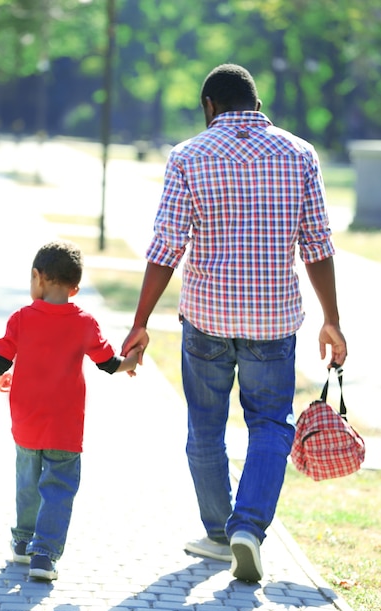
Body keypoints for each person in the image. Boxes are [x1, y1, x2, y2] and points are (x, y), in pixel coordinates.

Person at [121, 63, 347, 582]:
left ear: (209, 106)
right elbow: (318, 245)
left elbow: (165, 247)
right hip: (273, 322)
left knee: (205, 426)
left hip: (206, 319)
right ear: (257, 104)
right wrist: (331, 320)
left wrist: (139, 321)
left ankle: (220, 536)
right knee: (270, 424)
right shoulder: (299, 154)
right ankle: (249, 527)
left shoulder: (188, 156)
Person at [0, 240, 143, 581]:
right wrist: (131, 362)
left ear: (37, 277)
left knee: (27, 483)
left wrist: (1, 377)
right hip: (65, 429)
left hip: (26, 424)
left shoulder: (21, 319)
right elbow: (107, 363)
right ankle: (43, 554)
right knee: (58, 487)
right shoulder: (85, 322)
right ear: (76, 287)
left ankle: (22, 543)